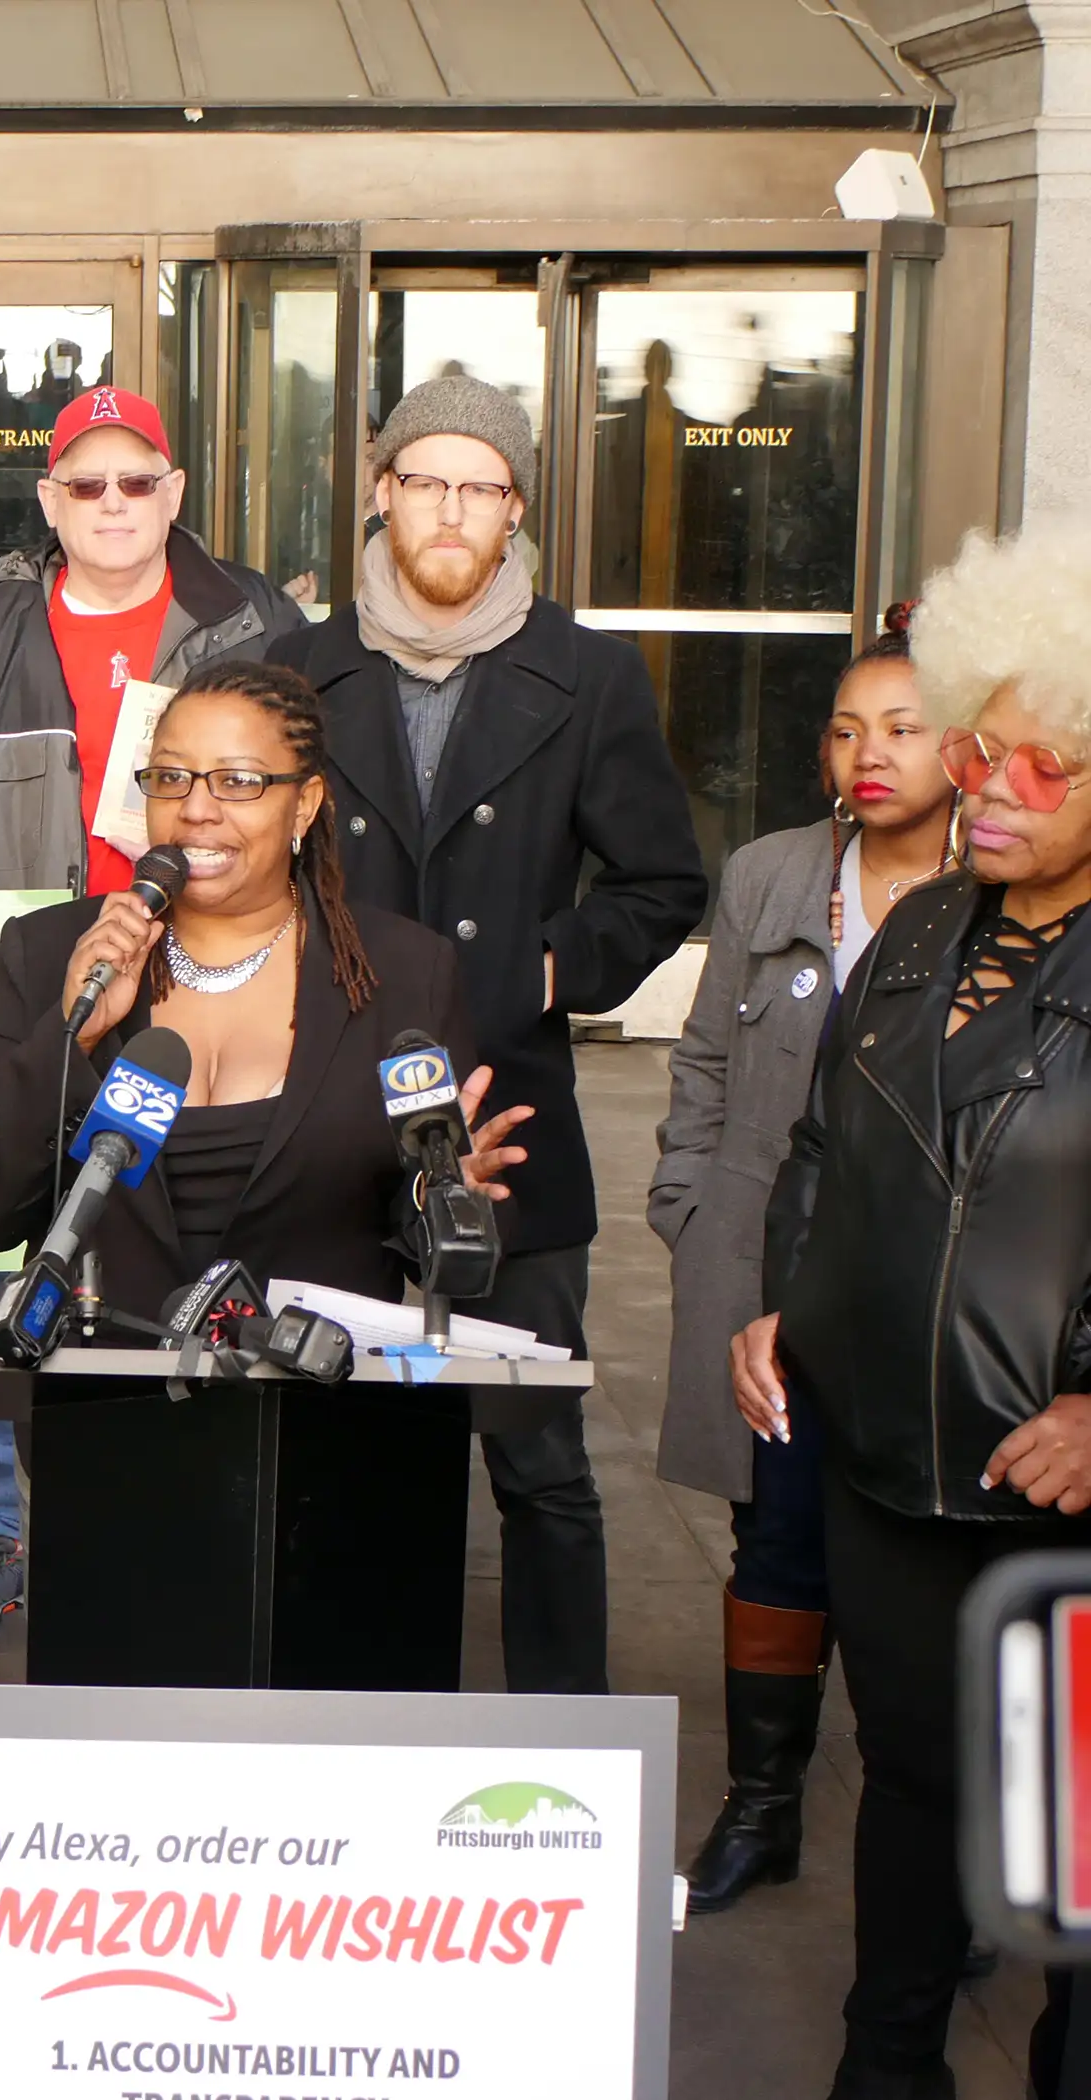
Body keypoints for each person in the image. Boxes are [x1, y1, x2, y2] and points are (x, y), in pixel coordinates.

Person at [269, 373, 707, 1697]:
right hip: (329, 1127)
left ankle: (563, 1755)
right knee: (348, 1453)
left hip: (512, 1123)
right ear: (383, 491)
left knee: (538, 1462)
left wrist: (532, 972)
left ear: (514, 509)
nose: (452, 511)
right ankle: (357, 1737)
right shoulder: (297, 670)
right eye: (427, 481)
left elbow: (659, 885)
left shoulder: (588, 676)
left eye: (481, 487)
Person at [744, 525, 1091, 2100]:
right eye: (985, 752)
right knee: (910, 1781)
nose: (998, 789)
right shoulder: (914, 941)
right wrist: (781, 1313)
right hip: (884, 1456)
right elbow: (824, 1152)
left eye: (1049, 769)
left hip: (1055, 1492)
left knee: (1066, 1828)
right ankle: (886, 2071)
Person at [0, 384, 304, 1645]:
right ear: (49, 501)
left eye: (137, 482)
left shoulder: (248, 621)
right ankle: (6, 1530)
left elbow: (308, 793)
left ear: (173, 494)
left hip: (211, 979)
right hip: (47, 993)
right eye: (86, 484)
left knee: (203, 1243)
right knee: (26, 1257)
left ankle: (210, 1506)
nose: (113, 505)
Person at [0, 652, 529, 1373]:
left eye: (238, 781)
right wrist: (70, 1033)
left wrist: (447, 1191)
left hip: (324, 1421)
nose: (196, 808)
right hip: (99, 1413)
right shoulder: (54, 953)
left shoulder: (402, 974)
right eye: (171, 777)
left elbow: (448, 1259)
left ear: (304, 804)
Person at [648, 609, 957, 1916]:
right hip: (762, 1270)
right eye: (845, 729)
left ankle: (940, 1845)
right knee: (772, 1536)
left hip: (927, 1292)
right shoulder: (774, 875)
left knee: (913, 1564)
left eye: (901, 728)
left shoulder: (1000, 894)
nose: (867, 753)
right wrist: (687, 1199)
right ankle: (762, 1809)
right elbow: (709, 1053)